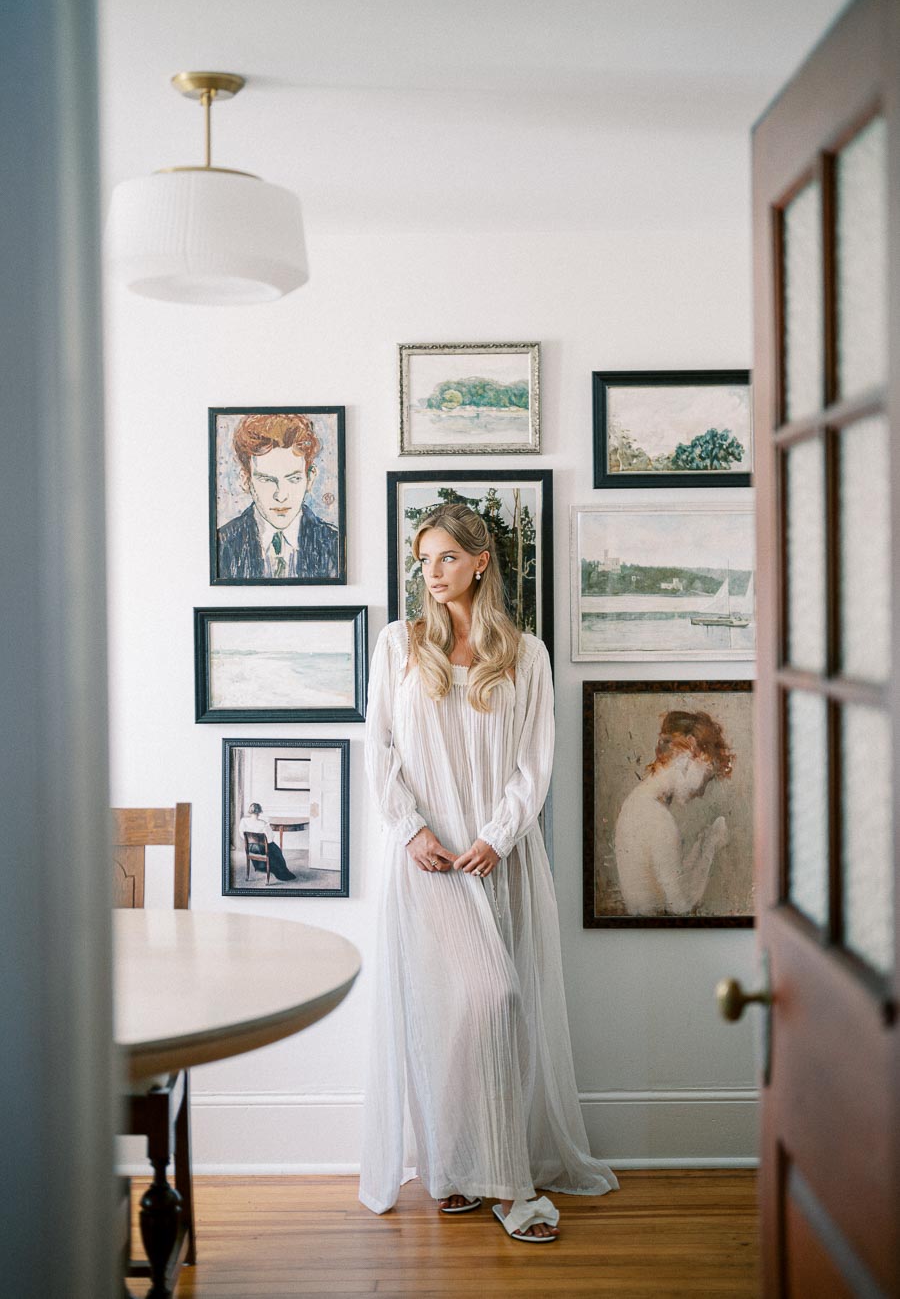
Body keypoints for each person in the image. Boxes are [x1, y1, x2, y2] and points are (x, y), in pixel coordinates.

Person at [360, 503, 618, 1243]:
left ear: (481, 561)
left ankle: (461, 1167)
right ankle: (506, 1189)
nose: (430, 574)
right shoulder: (397, 645)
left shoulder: (525, 654)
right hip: (427, 863)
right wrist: (411, 831)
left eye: (444, 558)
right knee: (477, 1002)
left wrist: (498, 837)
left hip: (498, 859)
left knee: (486, 1012)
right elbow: (376, 749)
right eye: (422, 560)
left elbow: (534, 763)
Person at [614, 710, 733, 916]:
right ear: (690, 751)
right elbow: (679, 908)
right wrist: (709, 849)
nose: (702, 791)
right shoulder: (657, 819)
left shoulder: (640, 803)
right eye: (706, 776)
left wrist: (700, 848)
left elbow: (667, 880)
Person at [217, 412, 340, 581]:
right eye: (266, 479)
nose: (281, 496)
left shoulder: (334, 544)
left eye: (294, 479)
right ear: (246, 480)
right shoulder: (222, 545)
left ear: (310, 479)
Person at [237, 802, 297, 882]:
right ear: (259, 812)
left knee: (273, 849)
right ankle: (281, 872)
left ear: (250, 811)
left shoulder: (243, 821)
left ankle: (261, 866)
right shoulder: (263, 823)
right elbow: (270, 838)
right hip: (262, 848)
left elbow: (242, 835)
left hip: (250, 847)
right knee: (277, 851)